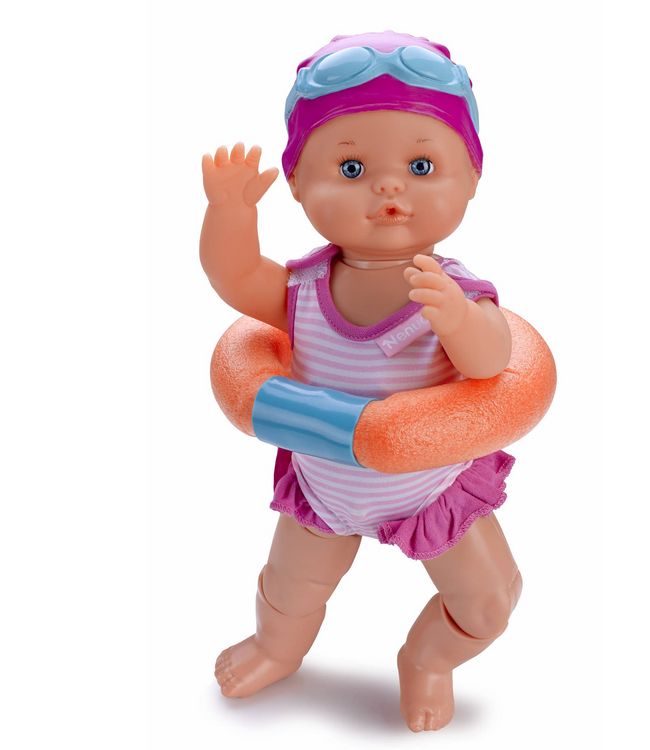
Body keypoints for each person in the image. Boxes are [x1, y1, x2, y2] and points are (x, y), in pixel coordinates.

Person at [200, 30, 523, 733]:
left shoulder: (457, 291)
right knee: (289, 588)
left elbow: (491, 361)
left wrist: (457, 321)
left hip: (432, 487)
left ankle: (427, 660)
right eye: (350, 168)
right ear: (296, 184)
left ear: (472, 177)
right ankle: (276, 648)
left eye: (421, 164)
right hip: (328, 485)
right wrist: (229, 215)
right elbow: (239, 279)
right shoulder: (304, 288)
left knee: (488, 602)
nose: (388, 187)